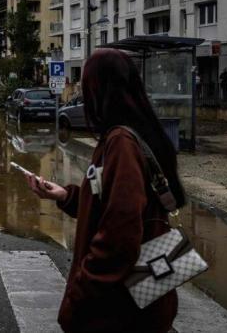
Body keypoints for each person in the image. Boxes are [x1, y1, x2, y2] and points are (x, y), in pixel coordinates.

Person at [25, 49, 185, 332]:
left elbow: (119, 235)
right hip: (140, 299)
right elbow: (109, 202)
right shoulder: (137, 132)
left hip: (121, 308)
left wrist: (80, 292)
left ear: (100, 90)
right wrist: (65, 195)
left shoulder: (121, 142)